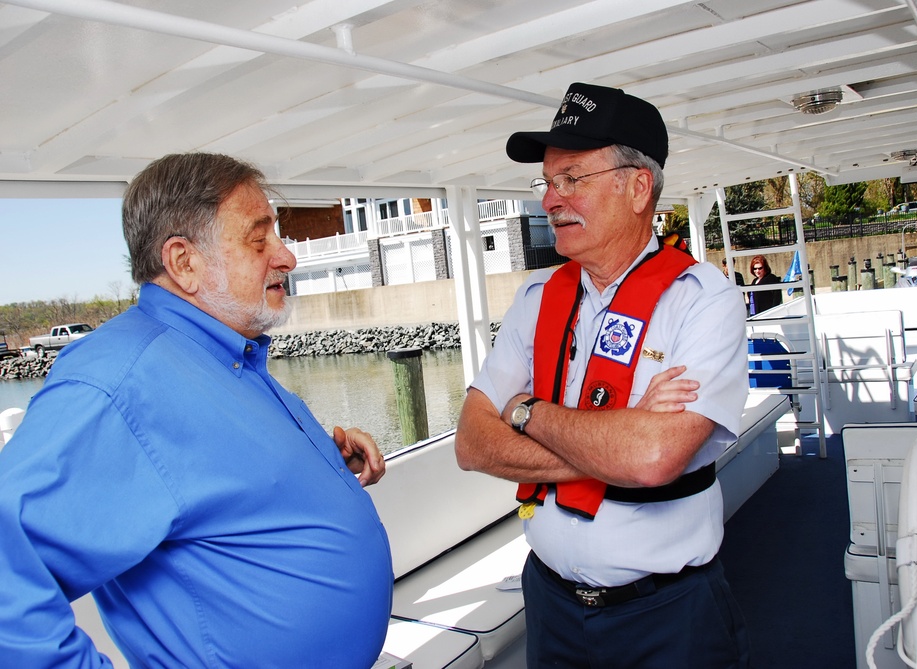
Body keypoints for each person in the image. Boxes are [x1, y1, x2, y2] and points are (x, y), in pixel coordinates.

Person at [0, 153, 393, 667]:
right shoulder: (120, 378)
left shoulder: (227, 353)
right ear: (184, 262)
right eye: (259, 239)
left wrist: (324, 464)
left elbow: (211, 483)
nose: (287, 258)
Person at [454, 82, 750, 668]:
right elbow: (470, 443)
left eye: (572, 179)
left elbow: (653, 461)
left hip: (667, 616)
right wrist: (622, 435)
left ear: (638, 187)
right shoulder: (536, 299)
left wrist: (526, 412)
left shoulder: (702, 300)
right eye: (547, 182)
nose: (550, 200)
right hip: (552, 605)